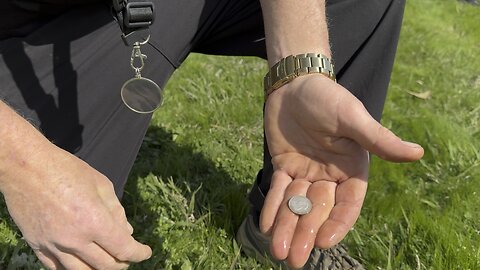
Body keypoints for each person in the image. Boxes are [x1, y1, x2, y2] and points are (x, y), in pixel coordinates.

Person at [0, 0, 424, 269]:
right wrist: (25, 165)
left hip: (145, 6)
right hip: (25, 34)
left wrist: (298, 70)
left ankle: (272, 230)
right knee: (80, 246)